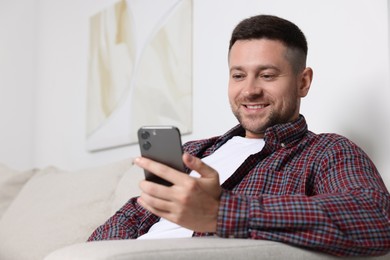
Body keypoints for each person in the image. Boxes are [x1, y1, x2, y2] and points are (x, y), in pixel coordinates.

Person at [88, 14, 390, 257]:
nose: (249, 90)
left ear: (303, 82)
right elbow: (126, 220)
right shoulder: (195, 152)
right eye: (238, 75)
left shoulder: (326, 150)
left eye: (267, 75)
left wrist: (222, 212)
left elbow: (375, 219)